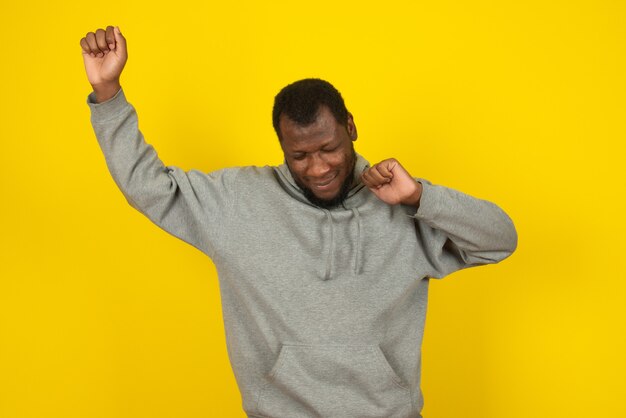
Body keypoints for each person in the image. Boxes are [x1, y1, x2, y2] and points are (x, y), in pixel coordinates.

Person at [81, 25, 518, 418]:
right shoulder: (239, 202)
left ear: (350, 127)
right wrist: (108, 94)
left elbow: (500, 240)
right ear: (282, 147)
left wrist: (421, 196)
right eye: (300, 156)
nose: (317, 168)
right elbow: (149, 187)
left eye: (328, 148)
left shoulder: (402, 207)